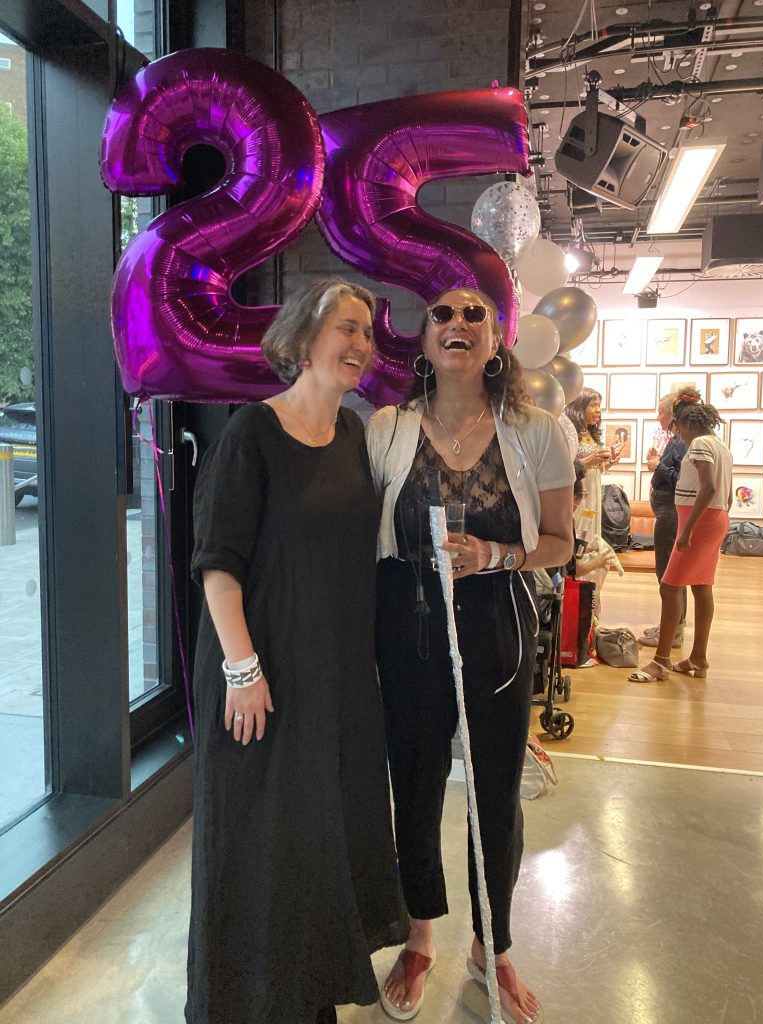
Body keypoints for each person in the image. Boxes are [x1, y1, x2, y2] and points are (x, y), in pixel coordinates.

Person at [185, 278, 408, 1024]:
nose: (360, 344)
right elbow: (218, 565)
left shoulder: (354, 435)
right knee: (260, 844)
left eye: (368, 334)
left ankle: (305, 998)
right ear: (303, 335)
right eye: (346, 327)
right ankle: (244, 1004)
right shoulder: (251, 433)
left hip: (336, 684)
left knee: (319, 844)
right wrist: (242, 671)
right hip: (263, 682)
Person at [366, 288, 574, 1024]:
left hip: (498, 624)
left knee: (494, 791)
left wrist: (493, 553)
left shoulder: (537, 430)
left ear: (497, 342)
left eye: (473, 316)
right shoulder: (386, 430)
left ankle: (496, 947)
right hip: (407, 623)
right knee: (416, 782)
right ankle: (421, 935)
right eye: (442, 316)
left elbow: (560, 542)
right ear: (424, 342)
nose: (457, 324)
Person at [629, 394, 733, 683]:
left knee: (670, 585)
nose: (679, 435)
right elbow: (725, 492)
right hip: (715, 518)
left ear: (687, 424)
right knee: (701, 586)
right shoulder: (720, 446)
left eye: (679, 428)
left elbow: (709, 487)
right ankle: (698, 656)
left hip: (697, 521)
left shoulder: (699, 444)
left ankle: (661, 661)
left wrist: (687, 529)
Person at [638, 392, 689, 649]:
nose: (658, 417)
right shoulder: (677, 440)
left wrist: (658, 465)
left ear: (673, 414)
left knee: (668, 574)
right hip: (668, 512)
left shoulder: (681, 442)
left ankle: (673, 633)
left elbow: (681, 478)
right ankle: (672, 626)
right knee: (673, 573)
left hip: (670, 513)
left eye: (661, 412)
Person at [562, 388, 618, 548]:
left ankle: (591, 567)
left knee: (591, 527)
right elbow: (566, 465)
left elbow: (594, 467)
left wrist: (608, 463)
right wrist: (590, 460)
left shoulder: (591, 432)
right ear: (580, 407)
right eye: (594, 405)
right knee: (579, 525)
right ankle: (578, 566)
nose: (598, 410)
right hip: (578, 487)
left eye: (599, 405)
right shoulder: (569, 431)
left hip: (593, 487)